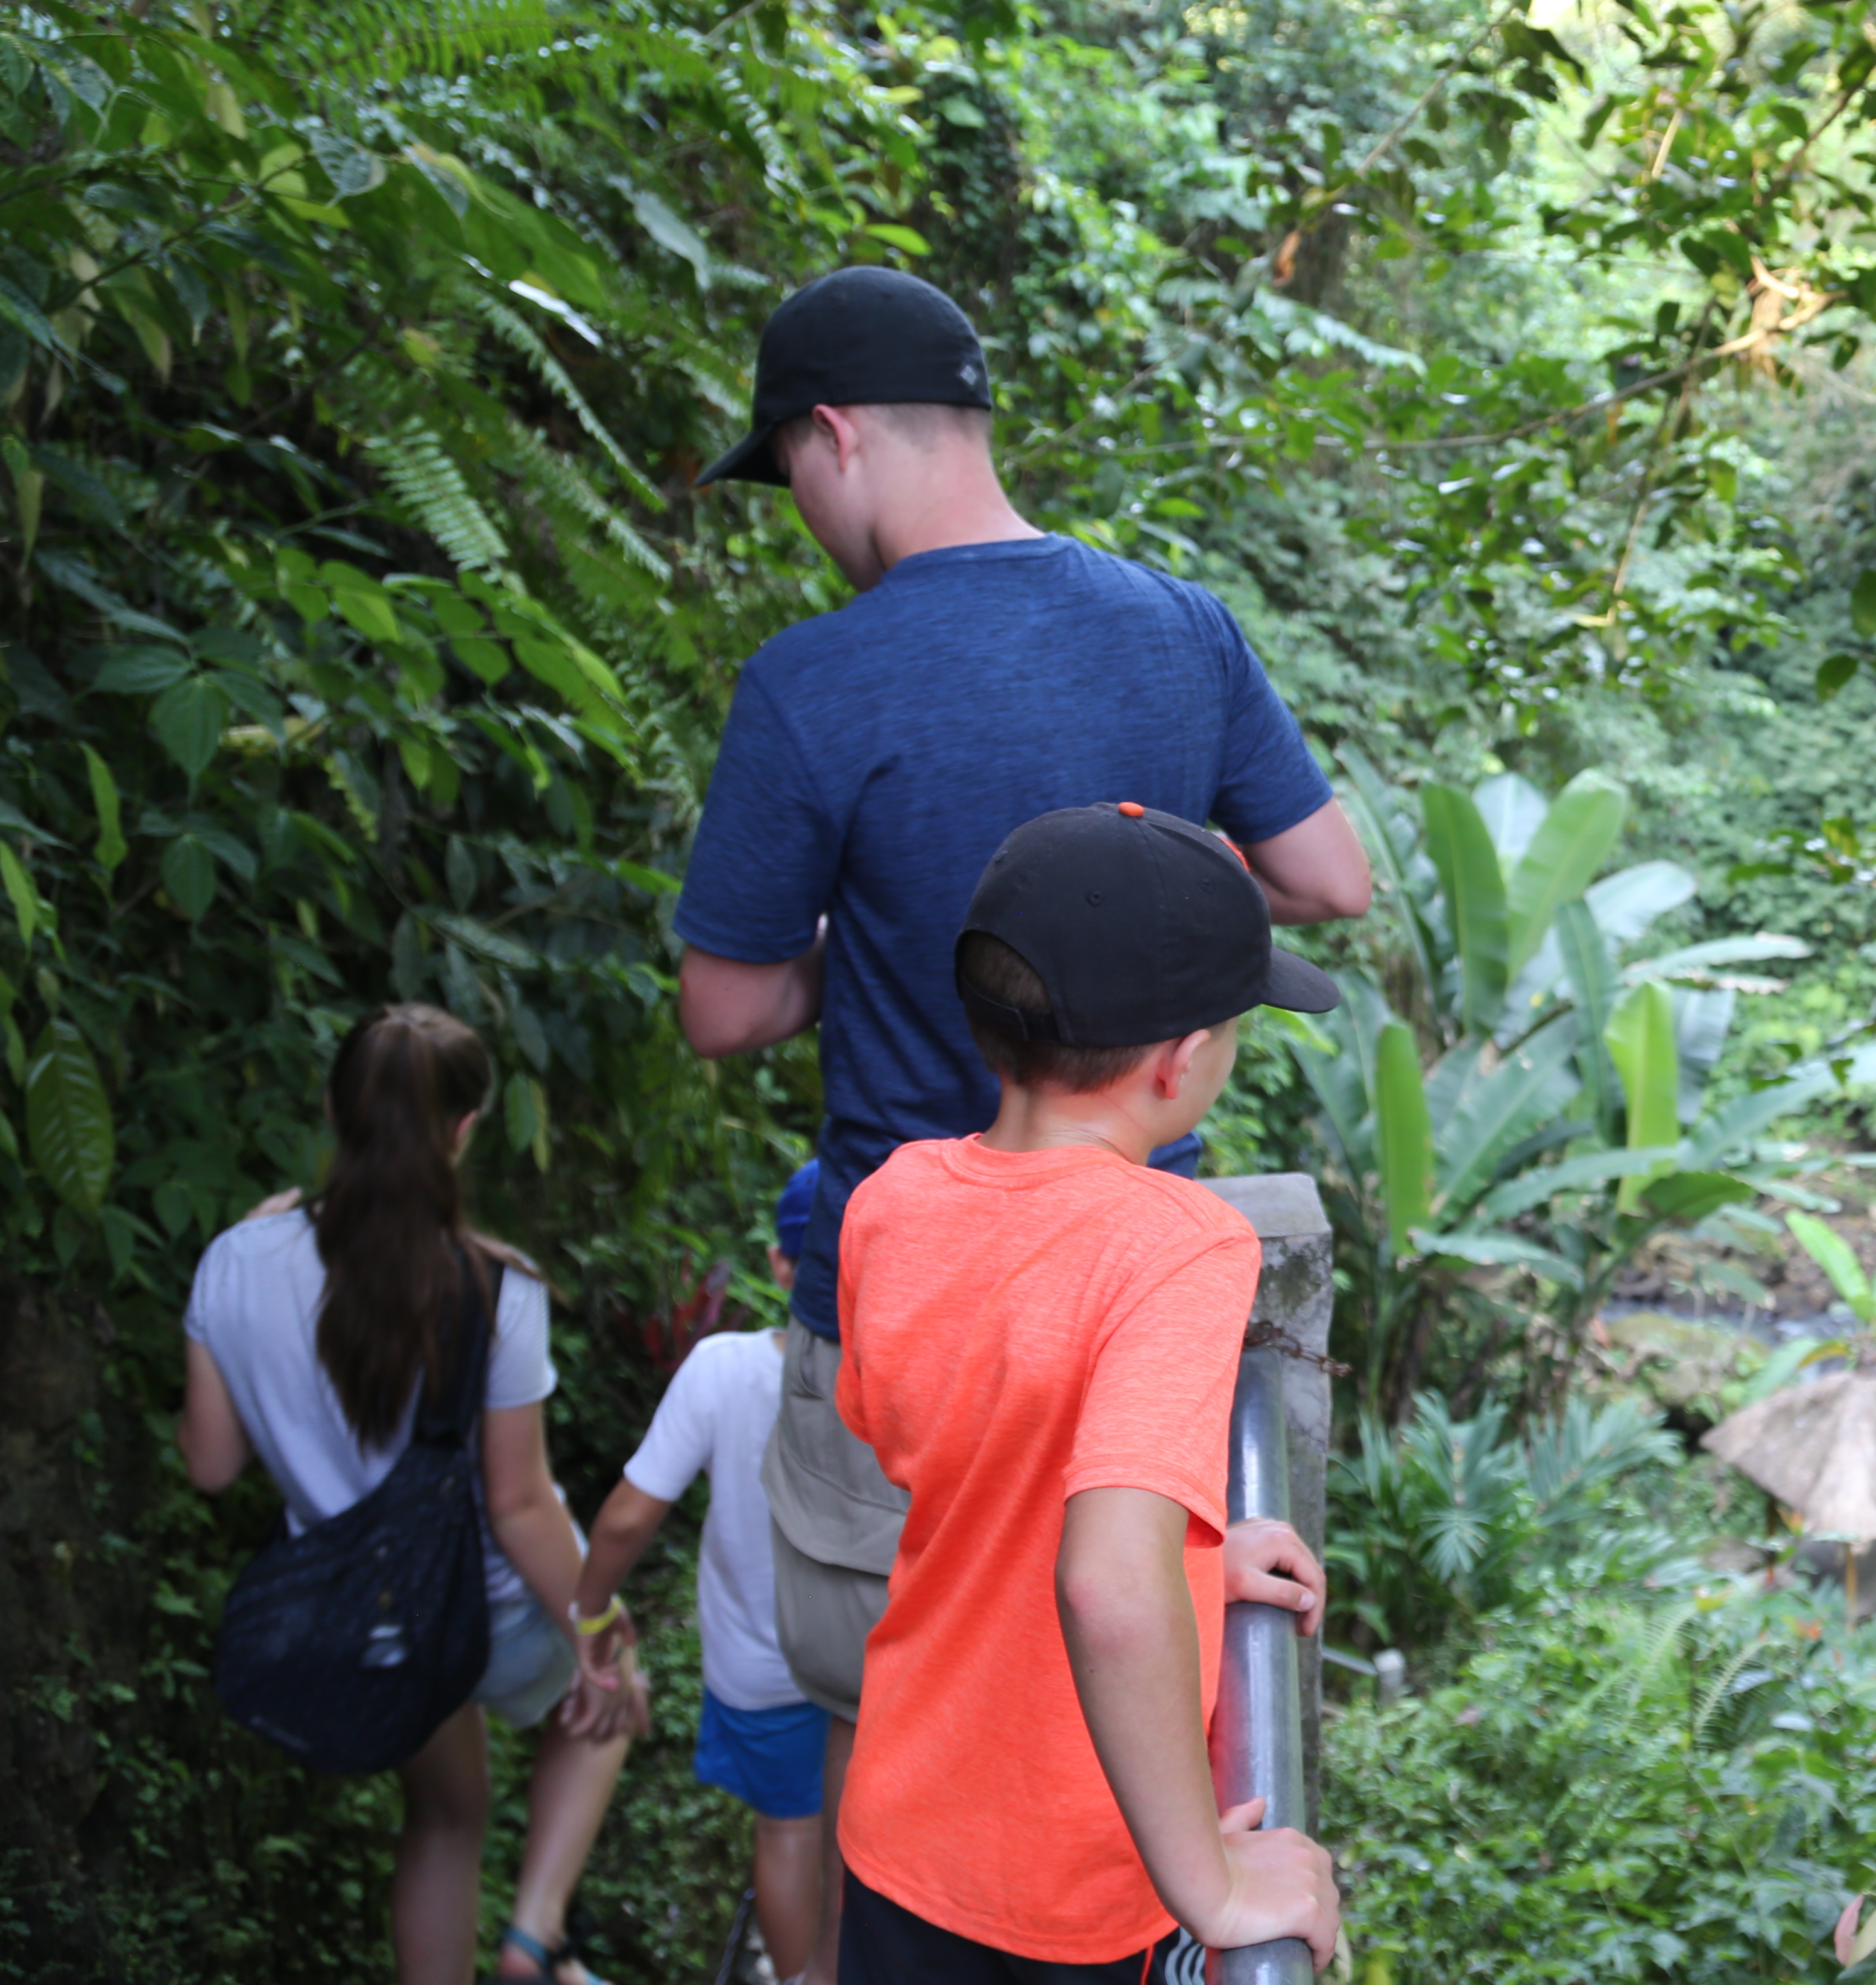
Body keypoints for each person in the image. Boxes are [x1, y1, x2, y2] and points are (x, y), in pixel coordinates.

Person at [673, 265, 1370, 1981]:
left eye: (793, 480)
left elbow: (727, 1007)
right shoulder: (1180, 626)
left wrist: (883, 937)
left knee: (909, 1676)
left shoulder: (813, 683)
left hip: (909, 1296)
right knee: (1114, 1600)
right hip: (1124, 1295)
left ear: (831, 436)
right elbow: (1330, 879)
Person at [830, 802, 1344, 1982]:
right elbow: (1105, 1581)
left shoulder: (893, 1200)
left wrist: (1197, 1561)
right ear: (1178, 1061)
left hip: (902, 1832)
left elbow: (973, 1471)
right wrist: (1205, 1885)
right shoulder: (1176, 1246)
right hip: (1060, 1890)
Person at [177, 1003, 645, 1985]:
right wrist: (602, 1634)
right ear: (467, 1128)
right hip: (489, 1610)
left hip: (368, 1621)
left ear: (331, 1111)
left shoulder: (234, 1261)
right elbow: (517, 1505)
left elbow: (211, 1465)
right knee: (604, 1706)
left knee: (443, 1818)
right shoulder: (492, 1292)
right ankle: (531, 1936)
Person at [570, 1161, 830, 1985]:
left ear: (777, 1263)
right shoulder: (910, 1370)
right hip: (879, 1662)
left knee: (789, 1833)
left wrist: (592, 1613)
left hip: (764, 1673)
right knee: (868, 1837)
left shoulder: (722, 1369)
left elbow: (625, 1517)